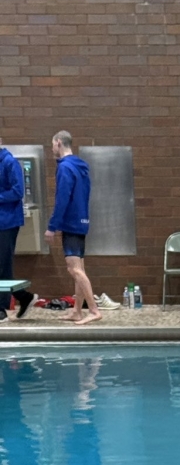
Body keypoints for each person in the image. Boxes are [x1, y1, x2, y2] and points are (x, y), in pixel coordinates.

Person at [44, 131, 101, 326]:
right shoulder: (80, 166)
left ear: (58, 143)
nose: (52, 149)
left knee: (74, 269)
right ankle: (77, 311)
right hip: (82, 221)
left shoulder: (65, 168)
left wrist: (52, 226)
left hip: (70, 223)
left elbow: (62, 198)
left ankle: (93, 310)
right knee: (80, 268)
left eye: (52, 145)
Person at [0, 136, 35, 322]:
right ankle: (24, 297)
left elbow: (18, 191)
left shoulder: (9, 162)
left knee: (1, 266)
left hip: (7, 222)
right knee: (4, 268)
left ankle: (1, 309)